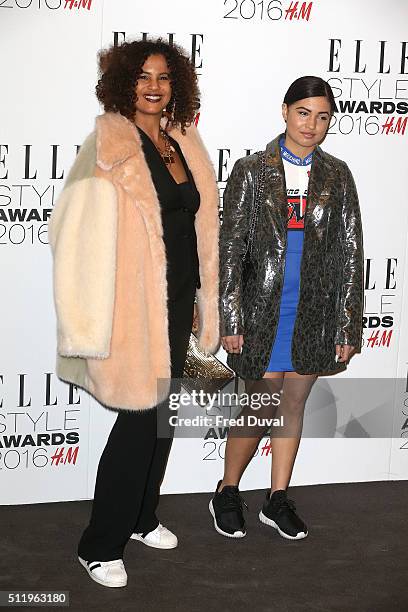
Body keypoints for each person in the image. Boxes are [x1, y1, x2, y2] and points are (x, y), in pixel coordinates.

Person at [49, 39, 219, 587]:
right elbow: (72, 229)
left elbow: (197, 229)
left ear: (176, 86)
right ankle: (98, 544)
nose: (153, 86)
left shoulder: (184, 140)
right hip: (131, 305)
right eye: (143, 77)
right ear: (125, 83)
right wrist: (94, 307)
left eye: (164, 77)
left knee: (162, 419)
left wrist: (199, 300)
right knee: (138, 421)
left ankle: (143, 517)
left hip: (176, 300)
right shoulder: (107, 142)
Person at [210, 76, 363, 541]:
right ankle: (227, 491)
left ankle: (277, 498)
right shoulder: (251, 170)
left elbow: (351, 253)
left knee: (293, 404)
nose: (312, 125)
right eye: (303, 113)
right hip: (260, 311)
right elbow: (230, 247)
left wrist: (347, 323)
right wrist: (231, 317)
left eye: (322, 116)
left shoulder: (338, 175)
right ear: (284, 111)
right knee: (259, 406)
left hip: (313, 312)